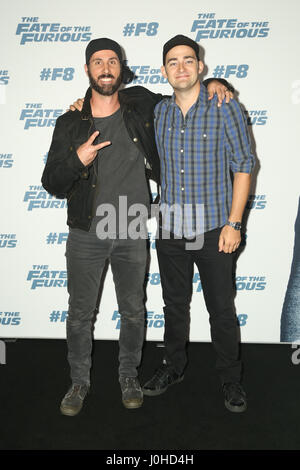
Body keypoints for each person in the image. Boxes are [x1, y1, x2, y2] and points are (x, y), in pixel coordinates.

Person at [43, 37, 230, 416]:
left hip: (129, 229)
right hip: (85, 233)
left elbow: (183, 92)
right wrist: (78, 159)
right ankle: (79, 381)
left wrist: (214, 84)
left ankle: (128, 374)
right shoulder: (69, 122)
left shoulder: (141, 104)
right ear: (88, 70)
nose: (106, 68)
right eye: (98, 62)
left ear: (121, 67)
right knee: (80, 314)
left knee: (134, 310)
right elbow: (52, 183)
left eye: (112, 61)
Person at [142, 35, 255, 413]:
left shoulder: (225, 106)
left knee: (221, 308)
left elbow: (244, 166)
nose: (181, 68)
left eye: (188, 60)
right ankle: (173, 367)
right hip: (171, 227)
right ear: (164, 71)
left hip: (214, 228)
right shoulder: (158, 112)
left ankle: (230, 379)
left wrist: (234, 223)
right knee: (174, 305)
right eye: (173, 62)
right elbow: (111, 98)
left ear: (201, 67)